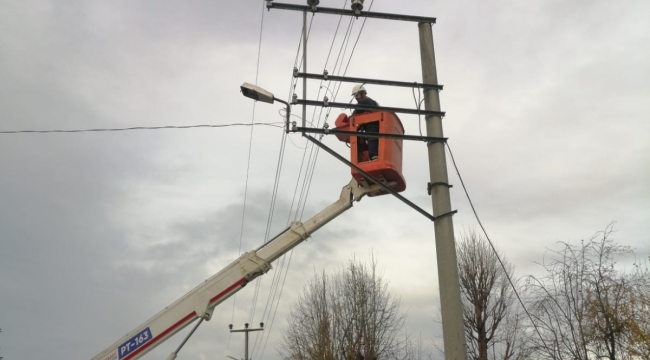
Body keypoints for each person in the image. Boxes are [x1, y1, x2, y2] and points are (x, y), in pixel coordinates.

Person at [351, 84, 379, 160]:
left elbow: (355, 112)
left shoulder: (364, 101)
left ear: (363, 93)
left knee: (373, 146)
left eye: (357, 95)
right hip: (376, 127)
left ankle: (374, 157)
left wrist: (350, 120)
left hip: (372, 128)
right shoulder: (373, 102)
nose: (356, 97)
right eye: (355, 96)